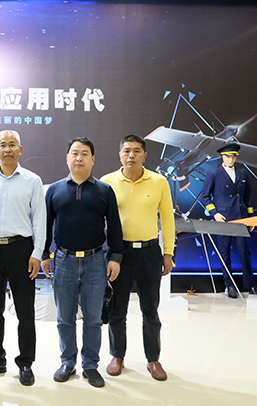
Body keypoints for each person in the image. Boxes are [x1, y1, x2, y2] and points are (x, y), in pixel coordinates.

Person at [41, 137, 123, 388]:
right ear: (67, 158)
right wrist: (44, 255)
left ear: (93, 159)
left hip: (96, 261)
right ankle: (67, 362)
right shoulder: (54, 190)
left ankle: (90, 365)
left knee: (93, 318)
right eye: (74, 153)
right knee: (64, 318)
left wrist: (115, 257)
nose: (79, 158)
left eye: (85, 153)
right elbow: (45, 225)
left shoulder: (104, 190)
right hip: (63, 260)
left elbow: (115, 227)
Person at [0, 130, 46, 386]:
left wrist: (37, 253)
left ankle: (25, 363)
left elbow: (40, 219)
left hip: (21, 251)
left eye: (12, 144)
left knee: (25, 311)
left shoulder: (32, 180)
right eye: (2, 145)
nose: (7, 149)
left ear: (20, 149)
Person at [100, 134, 174, 382]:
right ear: (120, 154)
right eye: (126, 151)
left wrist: (168, 252)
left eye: (136, 151)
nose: (131, 155)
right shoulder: (107, 182)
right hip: (119, 254)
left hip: (150, 254)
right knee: (117, 309)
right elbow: (99, 220)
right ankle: (117, 356)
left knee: (150, 310)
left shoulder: (159, 181)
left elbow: (168, 220)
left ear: (145, 155)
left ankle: (153, 359)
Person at [200, 143, 256, 298]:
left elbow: (247, 197)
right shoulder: (214, 173)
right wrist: (215, 213)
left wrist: (250, 219)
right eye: (228, 156)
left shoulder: (242, 173)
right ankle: (229, 285)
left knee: (244, 252)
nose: (231, 159)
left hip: (241, 218)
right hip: (223, 219)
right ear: (222, 157)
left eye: (233, 157)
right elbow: (205, 196)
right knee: (224, 253)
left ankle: (250, 285)